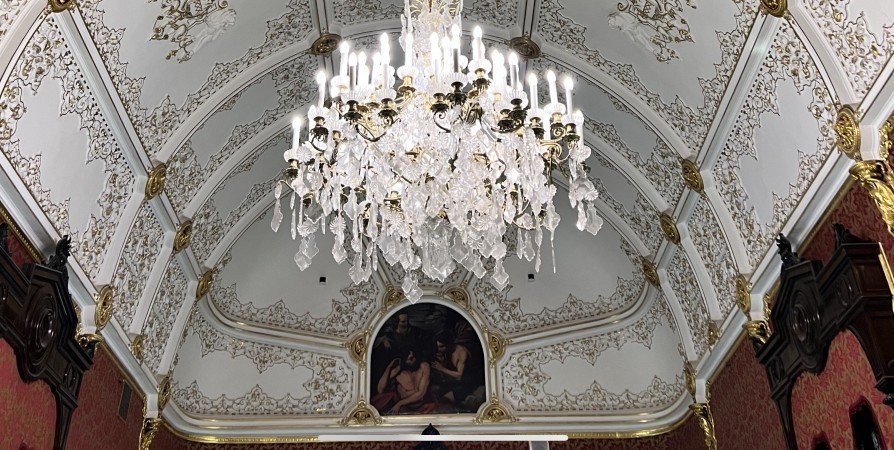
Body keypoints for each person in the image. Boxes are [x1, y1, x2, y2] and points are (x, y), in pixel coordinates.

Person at [430, 330, 485, 412]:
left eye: (441, 347)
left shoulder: (461, 352)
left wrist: (442, 368)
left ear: (449, 344)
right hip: (455, 382)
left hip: (468, 383)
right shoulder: (447, 352)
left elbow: (459, 375)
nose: (439, 349)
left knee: (444, 400)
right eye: (438, 347)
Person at [371, 349, 435, 414]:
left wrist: (399, 404)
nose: (415, 359)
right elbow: (380, 389)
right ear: (404, 361)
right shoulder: (397, 371)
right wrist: (389, 367)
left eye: (414, 356)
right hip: (405, 406)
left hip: (421, 404)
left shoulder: (424, 366)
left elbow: (421, 394)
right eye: (411, 358)